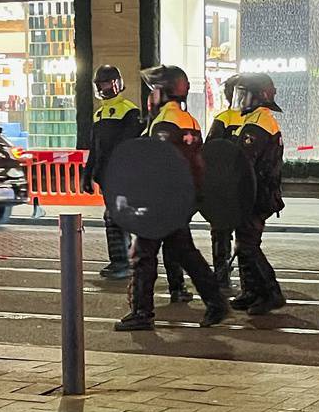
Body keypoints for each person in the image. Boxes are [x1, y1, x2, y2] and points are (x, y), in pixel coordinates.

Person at [116, 64, 228, 332]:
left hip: (160, 202)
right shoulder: (189, 120)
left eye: (152, 90)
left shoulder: (163, 123)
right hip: (180, 200)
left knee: (144, 255)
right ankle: (216, 302)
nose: (149, 96)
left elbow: (156, 166)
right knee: (186, 254)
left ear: (162, 92)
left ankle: (142, 312)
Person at [225, 72, 288, 316]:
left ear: (258, 97)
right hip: (253, 192)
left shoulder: (259, 122)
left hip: (257, 194)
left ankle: (271, 293)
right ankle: (251, 291)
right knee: (244, 242)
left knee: (248, 245)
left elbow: (244, 159)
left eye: (244, 94)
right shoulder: (255, 118)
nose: (240, 99)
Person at [84, 64, 142, 280]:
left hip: (123, 175)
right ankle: (119, 260)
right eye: (100, 84)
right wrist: (87, 174)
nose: (103, 87)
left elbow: (127, 146)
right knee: (113, 218)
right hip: (106, 177)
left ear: (116, 84)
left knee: (115, 217)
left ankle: (124, 262)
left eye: (106, 83)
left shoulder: (130, 111)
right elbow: (95, 148)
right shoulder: (99, 114)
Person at [206, 74, 245, 293]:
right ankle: (247, 280)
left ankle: (221, 274)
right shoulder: (255, 117)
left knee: (220, 234)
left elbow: (210, 150)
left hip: (224, 187)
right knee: (245, 237)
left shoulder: (224, 119)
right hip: (242, 188)